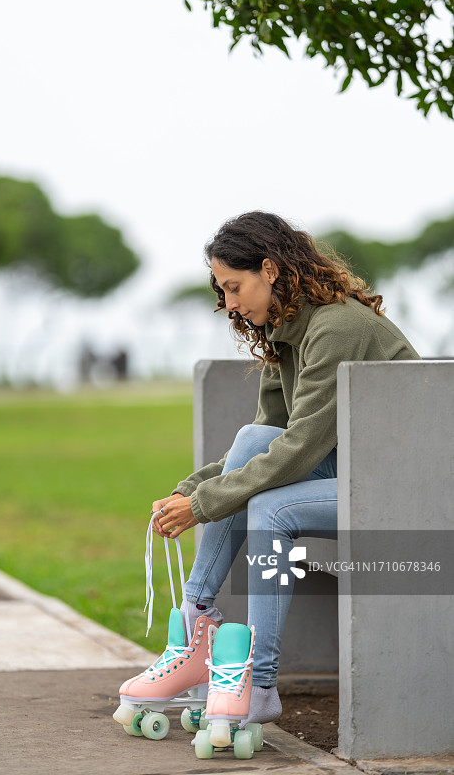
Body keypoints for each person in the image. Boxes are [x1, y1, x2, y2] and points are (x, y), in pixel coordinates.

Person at [149, 210, 421, 729]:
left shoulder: (337, 328)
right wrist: (190, 489)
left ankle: (259, 681)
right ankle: (198, 616)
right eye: (222, 291)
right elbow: (263, 440)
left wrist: (203, 505)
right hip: (356, 470)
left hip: (408, 484)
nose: (229, 303)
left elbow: (300, 447)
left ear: (270, 270)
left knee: (271, 508)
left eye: (234, 287)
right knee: (254, 442)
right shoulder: (285, 332)